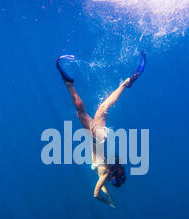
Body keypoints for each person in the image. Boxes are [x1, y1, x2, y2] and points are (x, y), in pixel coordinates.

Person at [56, 52, 146, 208]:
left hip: (102, 136)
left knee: (103, 107)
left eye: (120, 174)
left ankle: (125, 84)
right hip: (97, 137)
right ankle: (68, 84)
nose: (122, 171)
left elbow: (102, 186)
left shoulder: (106, 173)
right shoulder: (105, 172)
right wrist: (110, 202)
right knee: (81, 112)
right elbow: (95, 194)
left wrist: (110, 197)